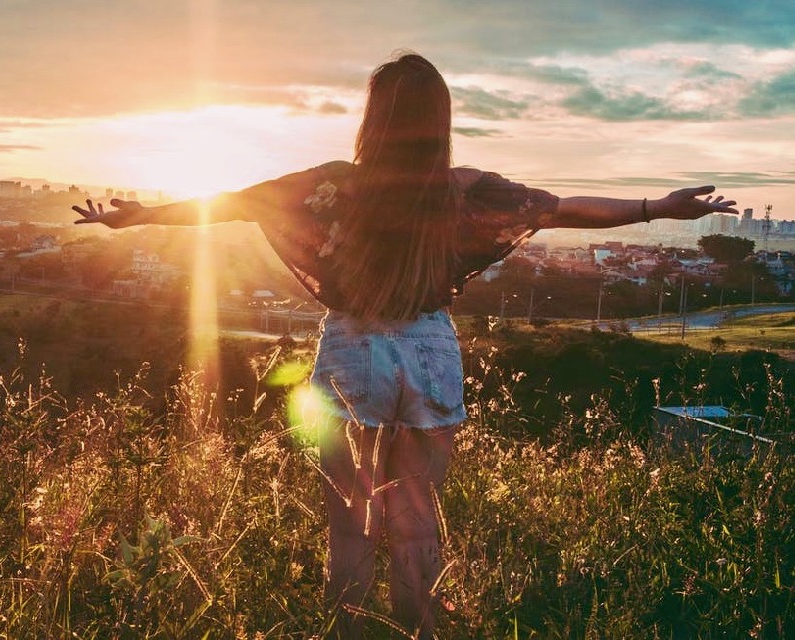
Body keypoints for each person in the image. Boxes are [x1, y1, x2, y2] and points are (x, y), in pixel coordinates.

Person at [73, 53, 737, 638]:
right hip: (429, 350)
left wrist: (137, 216)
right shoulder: (464, 189)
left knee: (351, 522)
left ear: (374, 118)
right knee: (418, 516)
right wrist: (657, 205)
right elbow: (562, 206)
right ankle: (419, 628)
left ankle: (350, 632)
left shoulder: (333, 183)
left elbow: (230, 202)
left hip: (352, 351)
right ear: (438, 119)